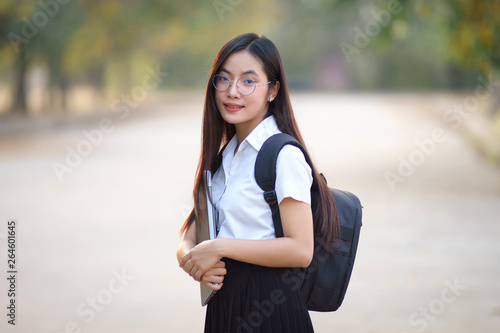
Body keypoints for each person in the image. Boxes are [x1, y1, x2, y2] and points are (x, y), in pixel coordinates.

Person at [177, 32, 339, 333]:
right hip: (224, 306)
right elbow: (193, 230)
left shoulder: (282, 156)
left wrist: (219, 247)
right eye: (223, 79)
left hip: (270, 308)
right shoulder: (224, 156)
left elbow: (301, 250)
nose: (232, 92)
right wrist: (189, 257)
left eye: (248, 81)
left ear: (273, 90)